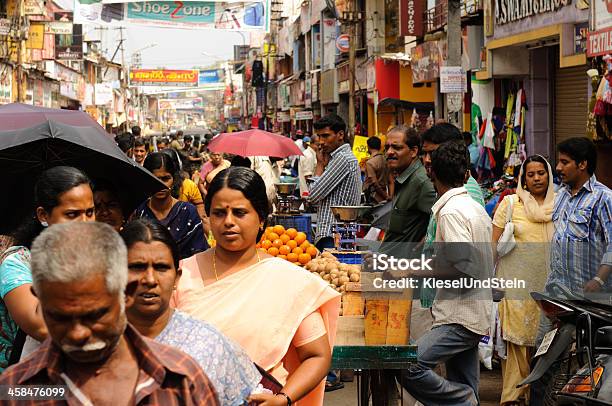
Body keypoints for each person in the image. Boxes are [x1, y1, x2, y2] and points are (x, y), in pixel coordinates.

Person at [172, 167, 341, 406]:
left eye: (239, 213)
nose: (228, 222)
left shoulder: (288, 281)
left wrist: (284, 398)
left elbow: (317, 355)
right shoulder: (182, 274)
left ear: (261, 218)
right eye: (219, 213)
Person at [0, 222, 219, 405]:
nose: (78, 333)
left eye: (94, 315)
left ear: (127, 294)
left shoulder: (181, 380)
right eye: (60, 317)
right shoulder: (18, 389)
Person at [121, 219, 261, 406]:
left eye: (161, 268)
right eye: (137, 267)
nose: (150, 279)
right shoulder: (95, 342)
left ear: (177, 279)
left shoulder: (208, 344)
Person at [400, 141, 493, 406]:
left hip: (459, 316)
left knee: (407, 365)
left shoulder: (451, 211)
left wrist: (416, 270)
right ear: (465, 175)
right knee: (465, 382)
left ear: (432, 175)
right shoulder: (472, 206)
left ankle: (463, 401)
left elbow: (462, 265)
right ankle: (466, 398)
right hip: (470, 312)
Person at [0, 166, 96, 371]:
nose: (85, 223)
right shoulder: (18, 264)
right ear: (43, 215)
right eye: (72, 214)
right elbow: (42, 326)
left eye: (90, 212)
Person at [492, 155, 555, 405]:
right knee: (516, 347)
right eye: (531, 174)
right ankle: (513, 398)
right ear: (523, 179)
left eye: (541, 173)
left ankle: (537, 398)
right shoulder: (510, 204)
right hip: (514, 286)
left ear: (549, 176)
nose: (537, 178)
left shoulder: (560, 204)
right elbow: (492, 246)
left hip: (547, 288)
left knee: (543, 348)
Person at [420, 123, 486, 308]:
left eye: (432, 154)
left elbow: (463, 267)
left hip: (454, 309)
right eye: (424, 154)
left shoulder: (462, 196)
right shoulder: (446, 189)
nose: (426, 160)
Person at [546, 137, 611, 294]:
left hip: (590, 296)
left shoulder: (603, 198)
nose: (558, 168)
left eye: (565, 162)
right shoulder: (561, 194)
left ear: (582, 164)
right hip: (558, 291)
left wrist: (598, 280)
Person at [134, 152, 208, 259]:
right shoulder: (140, 212)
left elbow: (199, 253)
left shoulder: (188, 212)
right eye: (155, 179)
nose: (160, 184)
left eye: (165, 179)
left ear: (174, 180)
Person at [308, 114, 362, 250]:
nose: (321, 141)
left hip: (332, 235)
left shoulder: (342, 158)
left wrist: (320, 165)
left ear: (340, 135)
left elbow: (313, 196)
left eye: (326, 136)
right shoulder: (338, 158)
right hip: (336, 233)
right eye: (319, 137)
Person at [382, 126, 436, 246]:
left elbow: (444, 219)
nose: (389, 152)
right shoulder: (405, 179)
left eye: (397, 147)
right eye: (387, 147)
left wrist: (428, 240)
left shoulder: (421, 182)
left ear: (413, 151)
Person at [363, 136, 390, 204]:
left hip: (374, 198)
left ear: (368, 147)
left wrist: (385, 196)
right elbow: (391, 180)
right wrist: (390, 196)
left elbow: (375, 183)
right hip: (385, 195)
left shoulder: (370, 162)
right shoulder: (385, 160)